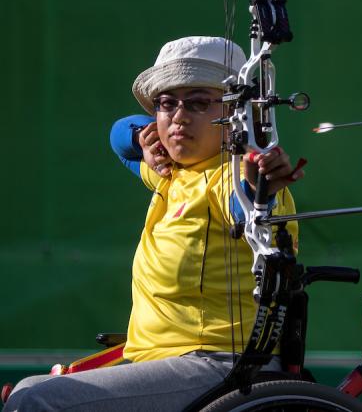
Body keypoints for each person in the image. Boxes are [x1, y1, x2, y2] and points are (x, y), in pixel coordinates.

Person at [3, 36, 303, 411]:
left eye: (197, 102)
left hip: (216, 363)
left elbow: (245, 211)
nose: (178, 116)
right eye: (166, 104)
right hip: (161, 361)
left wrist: (260, 185)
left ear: (235, 113)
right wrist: (143, 138)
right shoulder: (171, 173)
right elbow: (118, 134)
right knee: (25, 389)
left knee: (36, 401)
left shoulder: (229, 176)